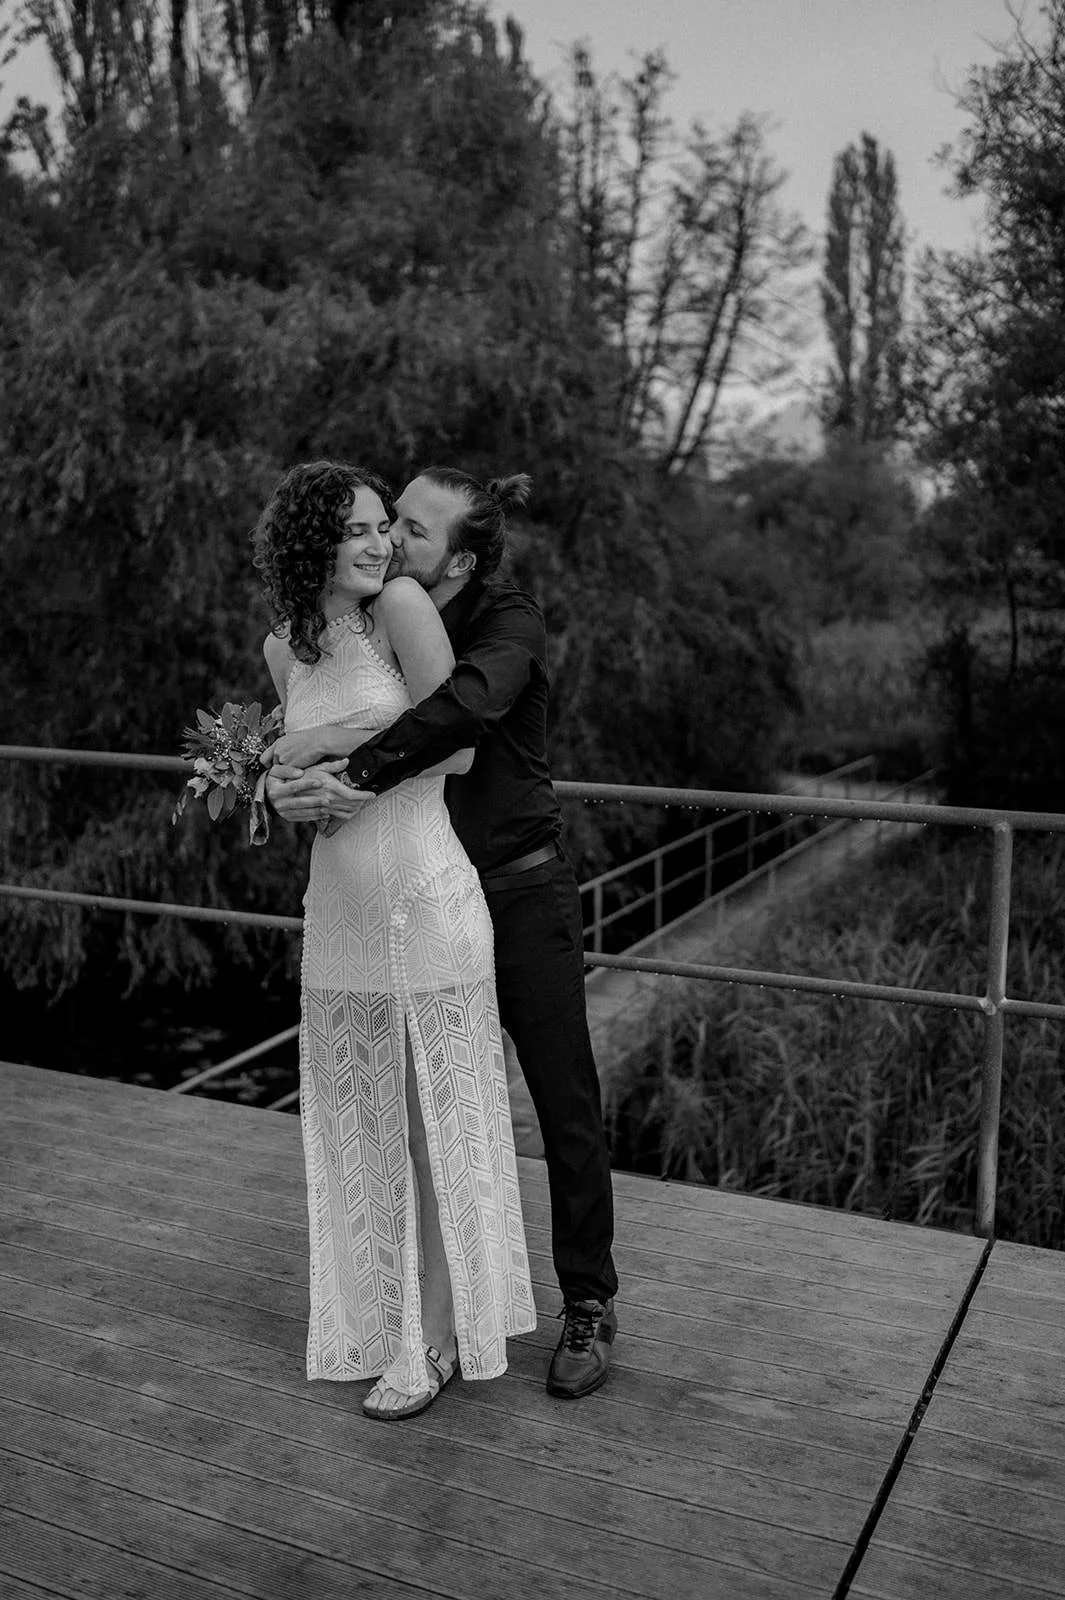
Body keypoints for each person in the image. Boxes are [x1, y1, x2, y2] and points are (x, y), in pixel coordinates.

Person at [266, 466, 619, 1400]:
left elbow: (461, 714)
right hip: (396, 896)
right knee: (414, 1110)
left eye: (411, 531)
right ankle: (434, 1309)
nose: (390, 540)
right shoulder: (362, 617)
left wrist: (340, 761)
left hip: (515, 887)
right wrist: (278, 781)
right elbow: (297, 731)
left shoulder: (507, 622)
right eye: (385, 521)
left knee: (561, 1100)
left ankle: (587, 1301)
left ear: (458, 560)